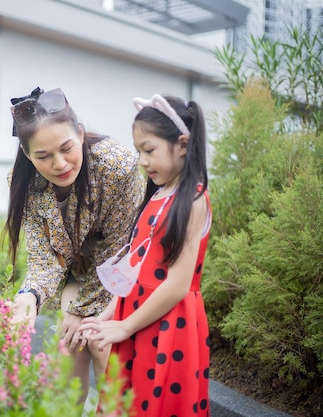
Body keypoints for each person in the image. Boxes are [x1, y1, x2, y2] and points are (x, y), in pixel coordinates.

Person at [4, 86, 144, 406]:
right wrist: (29, 296)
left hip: (125, 272)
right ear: (28, 155)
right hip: (77, 272)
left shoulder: (117, 166)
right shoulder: (23, 182)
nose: (60, 164)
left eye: (66, 148)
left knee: (100, 343)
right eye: (43, 156)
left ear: (80, 133)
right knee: (69, 347)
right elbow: (45, 257)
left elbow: (119, 250)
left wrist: (82, 310)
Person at [79, 94, 212, 416]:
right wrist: (108, 316)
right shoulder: (158, 195)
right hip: (137, 317)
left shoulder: (194, 201)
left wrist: (125, 326)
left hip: (169, 325)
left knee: (155, 402)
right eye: (139, 151)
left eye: (149, 150)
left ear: (182, 144)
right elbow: (136, 271)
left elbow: (178, 284)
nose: (141, 160)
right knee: (129, 402)